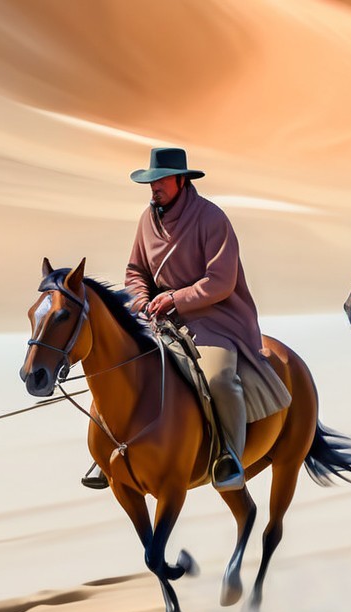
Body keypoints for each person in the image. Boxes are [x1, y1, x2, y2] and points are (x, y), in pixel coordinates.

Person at [112, 147, 290, 491]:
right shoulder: (147, 220)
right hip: (159, 319)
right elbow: (135, 271)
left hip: (213, 319)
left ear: (181, 180)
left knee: (219, 378)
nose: (154, 187)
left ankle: (231, 458)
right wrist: (143, 298)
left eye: (161, 180)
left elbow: (220, 282)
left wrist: (175, 299)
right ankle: (111, 451)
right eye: (151, 181)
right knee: (123, 366)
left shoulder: (211, 218)